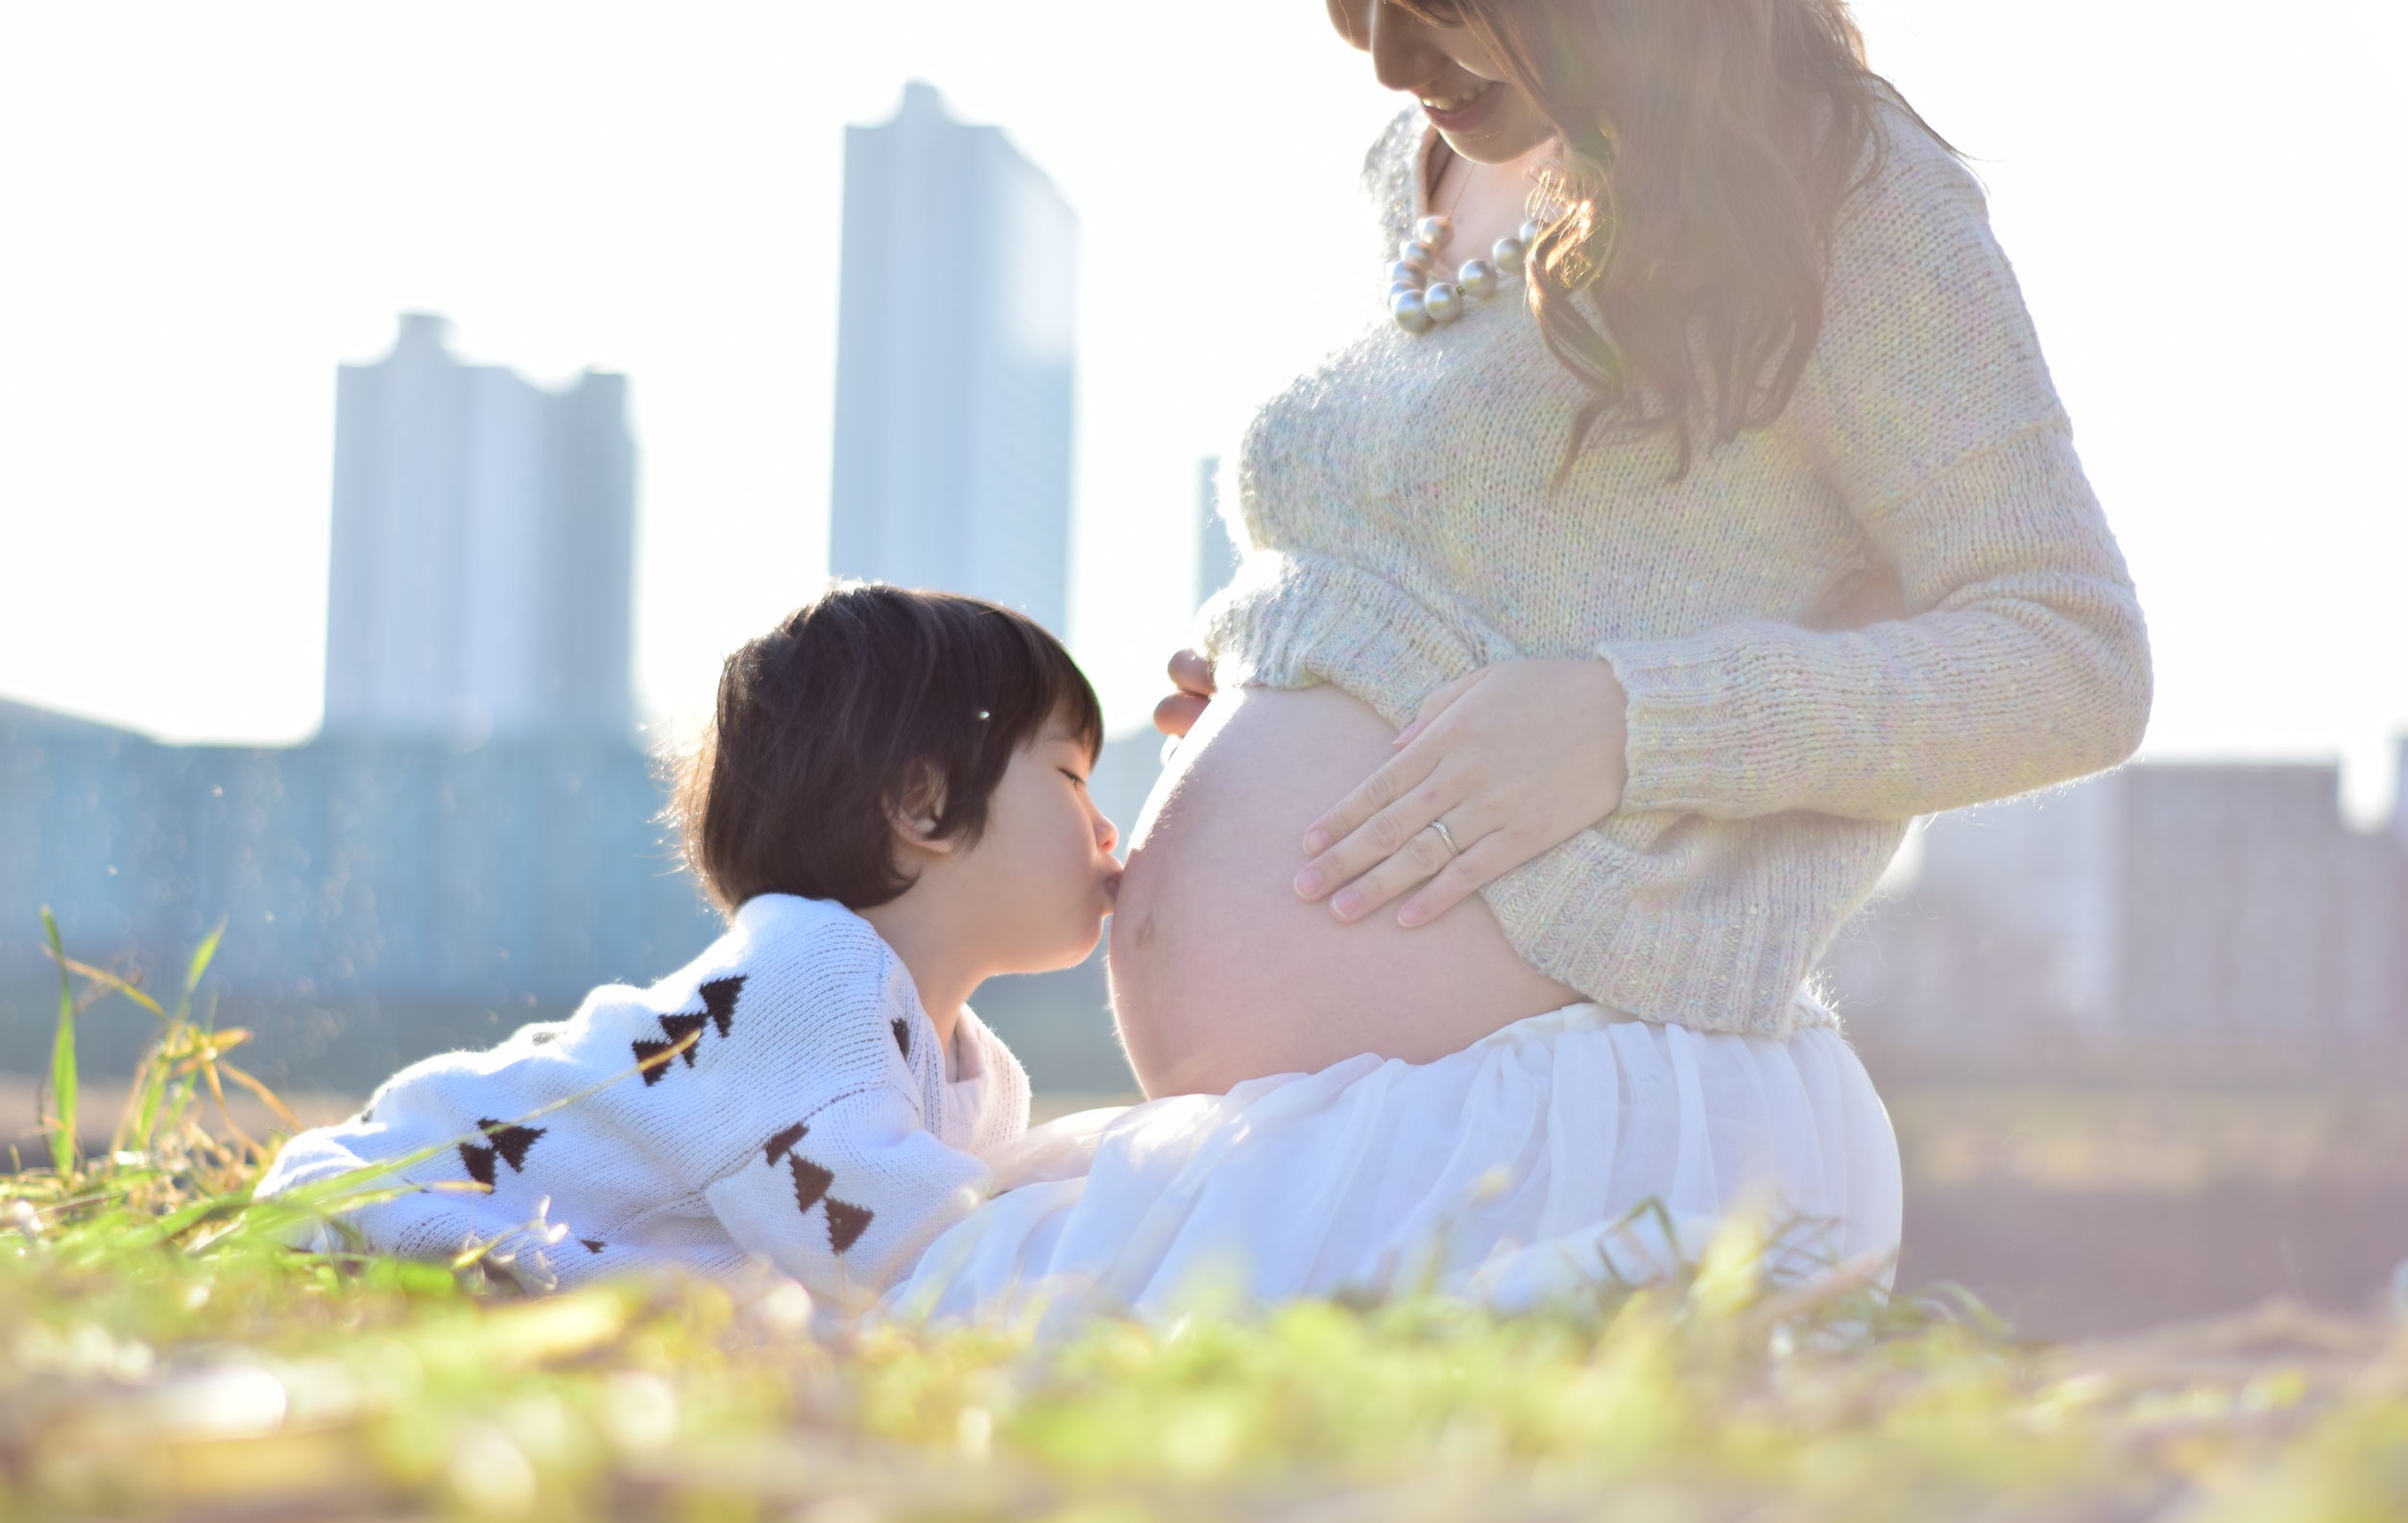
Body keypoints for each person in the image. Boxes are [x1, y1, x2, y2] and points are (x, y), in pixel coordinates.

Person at [890, 0, 2151, 1322]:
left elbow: (2073, 656)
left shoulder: (1839, 183)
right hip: (1337, 1126)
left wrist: (1627, 722)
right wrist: (1288, 667)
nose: (1383, 55)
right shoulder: (1420, 167)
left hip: (1571, 1115)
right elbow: (1531, 542)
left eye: (1436, 1)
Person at [255, 585, 1123, 1303]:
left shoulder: (979, 1070)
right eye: (1070, 777)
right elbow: (909, 1262)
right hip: (371, 1214)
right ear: (923, 803)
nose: (1105, 825)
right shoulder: (811, 975)